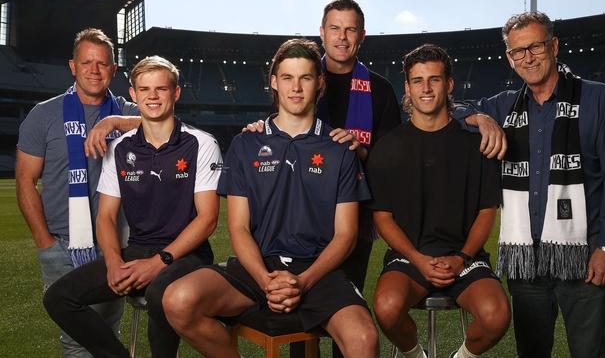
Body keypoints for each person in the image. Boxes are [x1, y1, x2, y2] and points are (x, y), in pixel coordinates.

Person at [162, 38, 379, 358]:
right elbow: (238, 228)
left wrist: (302, 282)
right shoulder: (245, 144)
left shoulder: (340, 150)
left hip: (318, 272)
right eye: (287, 78)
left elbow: (346, 235)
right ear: (274, 82)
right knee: (177, 300)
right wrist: (266, 281)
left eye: (305, 77)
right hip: (255, 268)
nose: (296, 87)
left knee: (364, 339)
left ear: (319, 83)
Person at [459, 12, 605, 357]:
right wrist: (481, 119)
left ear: (553, 46)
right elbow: (449, 109)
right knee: (532, 351)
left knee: (589, 352)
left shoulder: (596, 97)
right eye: (518, 51)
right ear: (509, 58)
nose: (528, 57)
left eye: (535, 47)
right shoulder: (504, 105)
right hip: (527, 261)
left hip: (584, 256)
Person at [43, 55, 221, 358]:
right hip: (138, 249)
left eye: (161, 89)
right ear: (134, 94)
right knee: (59, 297)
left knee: (158, 293)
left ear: (175, 93)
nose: (153, 96)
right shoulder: (120, 148)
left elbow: (208, 219)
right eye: (145, 89)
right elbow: (106, 216)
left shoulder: (201, 143)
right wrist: (113, 261)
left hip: (187, 255)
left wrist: (157, 263)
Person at [368, 44, 510, 358]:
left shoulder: (477, 144)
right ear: (407, 87)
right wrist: (419, 260)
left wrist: (461, 257)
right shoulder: (388, 146)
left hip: (465, 258)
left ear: (449, 85)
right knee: (387, 308)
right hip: (410, 260)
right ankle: (416, 355)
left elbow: (487, 211)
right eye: (417, 80)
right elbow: (382, 218)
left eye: (434, 79)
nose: (426, 88)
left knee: (496, 315)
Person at [15, 28, 138, 357]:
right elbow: (25, 181)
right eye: (87, 62)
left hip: (115, 245)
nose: (94, 70)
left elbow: (166, 122)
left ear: (114, 69)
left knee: (105, 332)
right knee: (76, 340)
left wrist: (113, 121)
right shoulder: (44, 114)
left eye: (102, 64)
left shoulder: (126, 111)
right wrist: (44, 243)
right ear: (73, 66)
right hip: (62, 244)